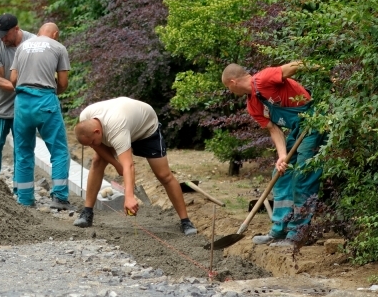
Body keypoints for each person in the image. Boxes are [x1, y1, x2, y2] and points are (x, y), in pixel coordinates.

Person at [222, 62, 324, 247]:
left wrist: (326, 74)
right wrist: (282, 156)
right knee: (280, 175)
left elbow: (296, 65)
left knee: (302, 175)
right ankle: (280, 230)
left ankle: (298, 234)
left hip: (313, 122)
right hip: (297, 129)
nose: (230, 91)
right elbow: (274, 130)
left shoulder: (263, 79)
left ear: (232, 81)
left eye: (228, 87)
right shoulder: (253, 105)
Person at [73, 97, 198, 235]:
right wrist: (115, 164)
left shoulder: (116, 128)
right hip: (124, 124)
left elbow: (129, 165)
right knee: (97, 161)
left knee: (164, 175)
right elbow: (98, 147)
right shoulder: (85, 118)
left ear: (97, 131)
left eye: (93, 142)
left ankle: (185, 221)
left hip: (146, 129)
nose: (93, 145)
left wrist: (129, 197)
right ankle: (87, 212)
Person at [9, 22, 71, 209]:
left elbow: (13, 79)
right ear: (55, 34)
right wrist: (53, 93)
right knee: (59, 151)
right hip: (45, 101)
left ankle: (25, 199)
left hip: (22, 102)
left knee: (23, 152)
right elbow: (63, 82)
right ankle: (59, 198)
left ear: (38, 33)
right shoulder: (58, 47)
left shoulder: (22, 47)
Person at [0, 13, 34, 176]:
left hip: (24, 109)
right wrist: (24, 88)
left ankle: (21, 192)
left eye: (5, 34)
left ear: (16, 29)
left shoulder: (33, 43)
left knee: (23, 151)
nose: (2, 39)